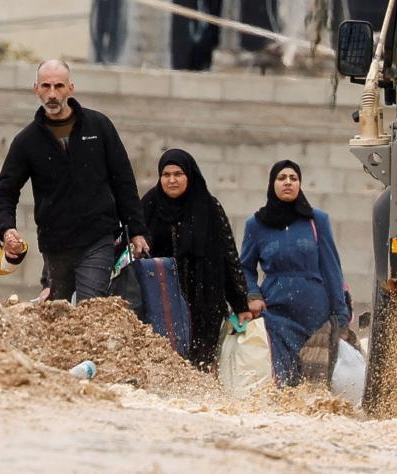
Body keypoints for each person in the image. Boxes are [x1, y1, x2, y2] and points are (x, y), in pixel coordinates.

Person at [0, 60, 149, 302]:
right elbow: (5, 192)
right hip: (56, 243)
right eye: (46, 86)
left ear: (70, 88)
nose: (52, 94)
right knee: (57, 310)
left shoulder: (99, 126)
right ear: (36, 89)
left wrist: (137, 230)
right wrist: (6, 228)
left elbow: (123, 180)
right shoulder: (27, 141)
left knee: (90, 307)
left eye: (59, 86)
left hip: (97, 237)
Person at [239, 160, 350, 386]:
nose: (288, 182)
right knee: (282, 380)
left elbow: (331, 268)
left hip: (315, 314)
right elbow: (245, 267)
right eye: (282, 178)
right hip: (276, 314)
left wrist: (341, 312)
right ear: (272, 184)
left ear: (300, 184)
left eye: (294, 178)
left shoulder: (317, 220)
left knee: (314, 381)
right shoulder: (256, 225)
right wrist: (253, 294)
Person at [141, 148, 253, 370]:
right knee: (163, 362)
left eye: (178, 174)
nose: (172, 180)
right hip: (162, 302)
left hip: (204, 302)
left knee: (198, 365)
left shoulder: (209, 207)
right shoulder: (148, 206)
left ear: (189, 176)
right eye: (166, 174)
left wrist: (240, 303)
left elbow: (228, 256)